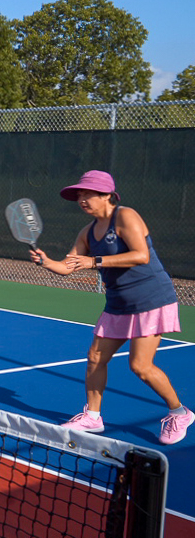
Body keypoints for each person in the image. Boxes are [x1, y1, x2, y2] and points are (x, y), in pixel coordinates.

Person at [30, 170, 193, 445]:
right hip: (118, 303)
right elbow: (69, 266)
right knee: (95, 357)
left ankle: (180, 412)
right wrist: (47, 262)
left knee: (140, 366)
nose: (81, 200)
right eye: (78, 195)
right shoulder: (87, 232)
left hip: (151, 299)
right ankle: (93, 417)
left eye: (87, 194)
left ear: (107, 195)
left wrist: (95, 262)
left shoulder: (126, 216)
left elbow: (140, 255)